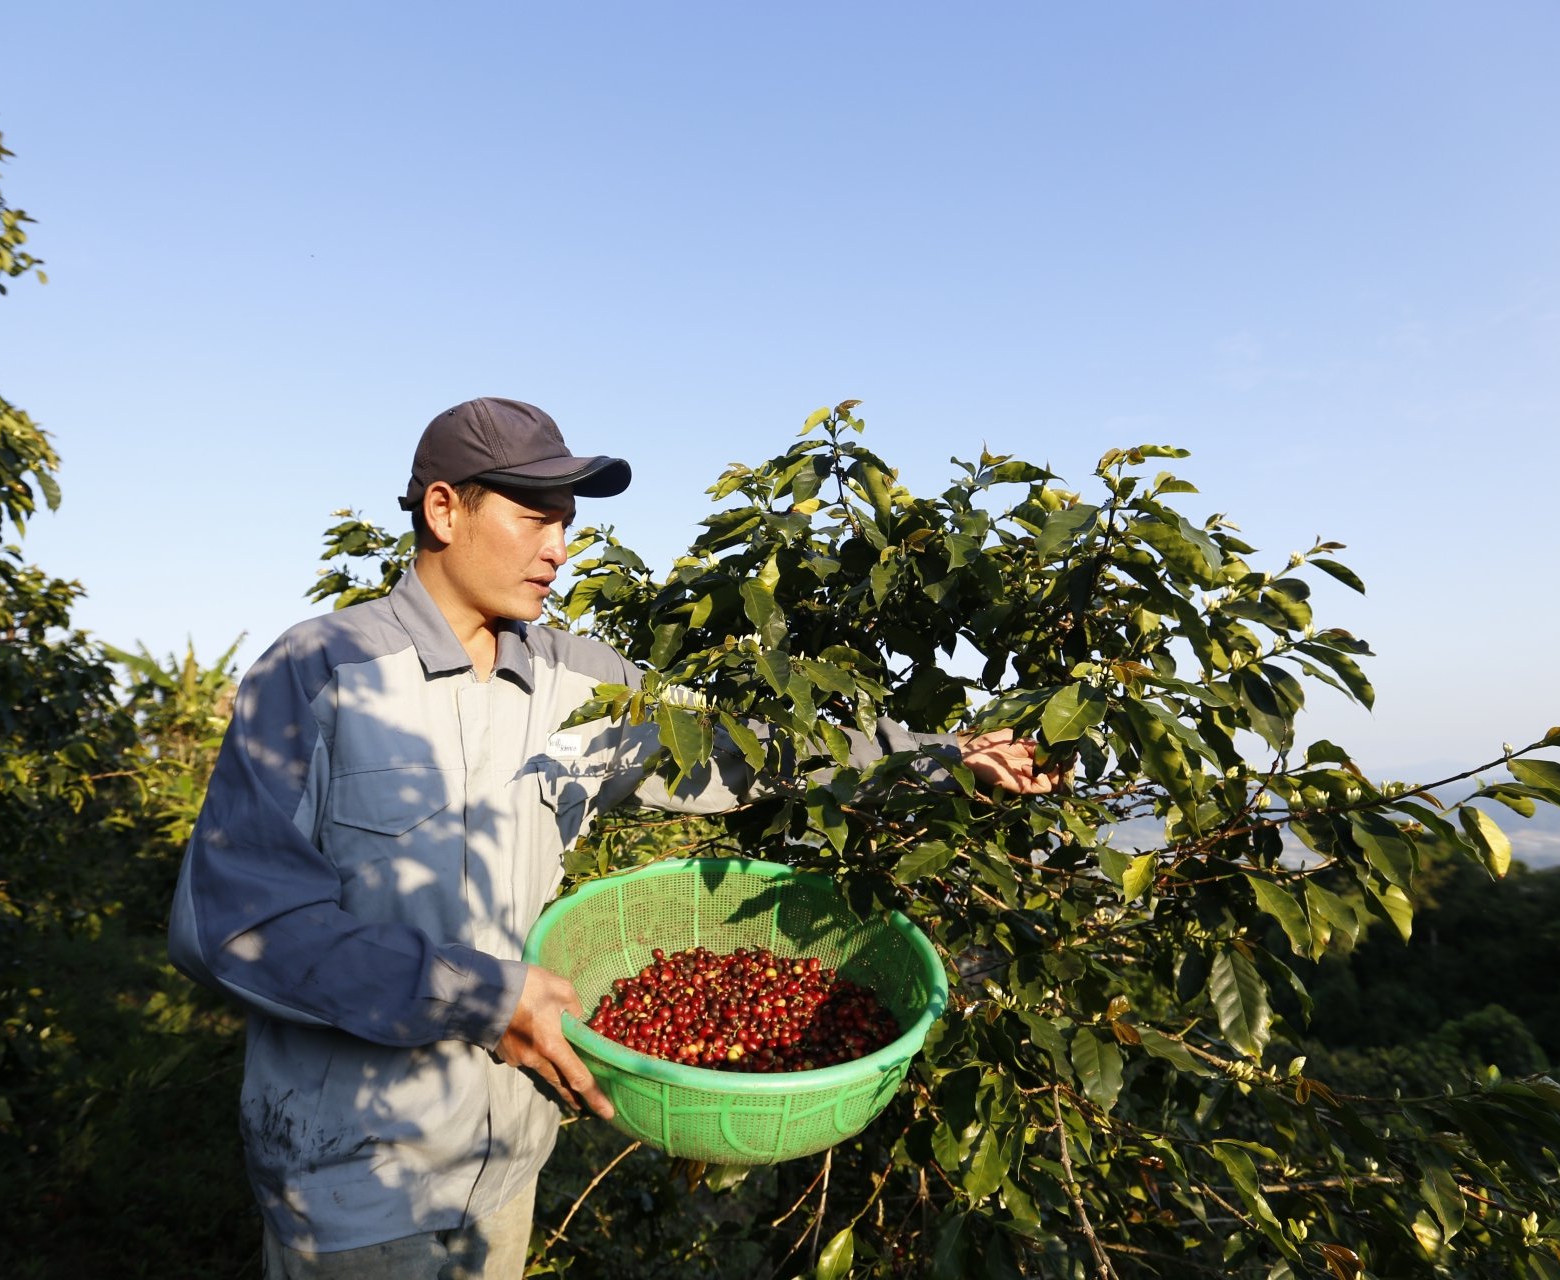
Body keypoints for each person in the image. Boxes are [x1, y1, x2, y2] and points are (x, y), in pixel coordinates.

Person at [168, 397, 1065, 1279]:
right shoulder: (322, 672)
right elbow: (235, 925)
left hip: (503, 1169)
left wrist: (942, 760)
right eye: (532, 519)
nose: (559, 549)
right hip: (353, 1184)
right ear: (443, 509)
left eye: (566, 523)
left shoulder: (576, 680)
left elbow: (745, 750)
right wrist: (482, 997)